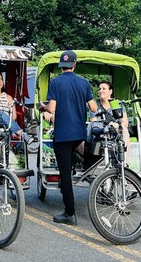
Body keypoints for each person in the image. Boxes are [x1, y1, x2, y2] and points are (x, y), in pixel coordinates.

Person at [39, 50, 97, 226]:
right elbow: (94, 107)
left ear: (61, 66)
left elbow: (52, 109)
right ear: (74, 64)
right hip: (79, 134)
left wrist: (42, 107)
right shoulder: (84, 83)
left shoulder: (55, 83)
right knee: (76, 165)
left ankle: (69, 213)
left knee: (65, 173)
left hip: (63, 135)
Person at [89, 80, 131, 164]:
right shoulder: (95, 105)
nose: (101, 91)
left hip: (116, 130)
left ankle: (125, 162)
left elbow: (125, 122)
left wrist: (118, 125)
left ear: (110, 91)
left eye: (104, 88)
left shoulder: (118, 104)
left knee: (125, 131)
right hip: (101, 130)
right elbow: (93, 122)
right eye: (99, 89)